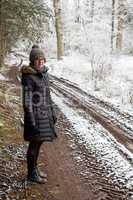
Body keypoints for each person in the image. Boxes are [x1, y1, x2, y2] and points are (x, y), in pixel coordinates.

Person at [21, 45, 57, 184]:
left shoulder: (44, 74)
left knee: (39, 144)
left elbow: (48, 96)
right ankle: (31, 174)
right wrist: (31, 121)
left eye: (42, 59)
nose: (40, 61)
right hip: (35, 117)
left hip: (45, 115)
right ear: (32, 61)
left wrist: (52, 112)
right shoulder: (28, 77)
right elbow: (27, 101)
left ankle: (35, 170)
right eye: (37, 59)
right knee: (33, 146)